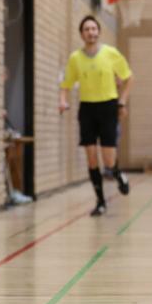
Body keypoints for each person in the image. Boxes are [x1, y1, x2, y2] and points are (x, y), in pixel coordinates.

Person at [59, 15, 132, 216]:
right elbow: (65, 83)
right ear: (81, 34)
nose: (91, 32)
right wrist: (62, 100)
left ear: (98, 32)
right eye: (86, 29)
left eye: (94, 28)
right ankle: (100, 202)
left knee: (108, 160)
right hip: (87, 109)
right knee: (91, 157)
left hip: (108, 107)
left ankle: (117, 174)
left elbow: (128, 78)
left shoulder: (111, 53)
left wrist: (122, 101)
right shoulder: (75, 58)